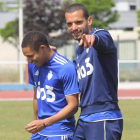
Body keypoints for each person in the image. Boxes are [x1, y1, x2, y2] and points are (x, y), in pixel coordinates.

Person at [64, 3, 123, 140]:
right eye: (69, 24)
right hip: (84, 117)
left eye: (78, 22)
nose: (74, 28)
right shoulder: (79, 49)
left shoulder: (100, 35)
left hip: (103, 116)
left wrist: (93, 39)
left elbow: (103, 40)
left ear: (89, 20)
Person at [21, 31, 79, 140]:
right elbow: (36, 95)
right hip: (40, 131)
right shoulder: (33, 65)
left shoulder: (65, 67)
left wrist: (44, 123)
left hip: (59, 131)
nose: (29, 60)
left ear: (42, 48)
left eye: (31, 56)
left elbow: (73, 105)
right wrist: (35, 123)